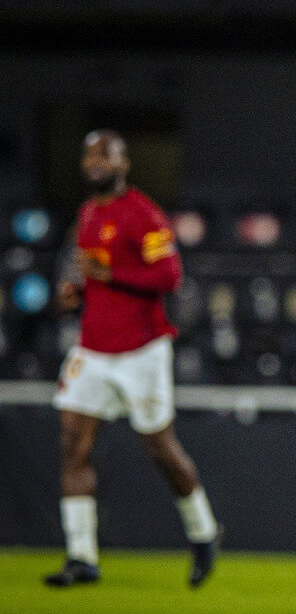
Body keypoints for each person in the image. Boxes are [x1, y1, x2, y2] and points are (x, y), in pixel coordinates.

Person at [46, 129, 221, 588]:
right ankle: (82, 556)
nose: (94, 162)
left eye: (104, 155)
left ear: (124, 164)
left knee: (161, 449)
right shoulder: (87, 213)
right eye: (89, 155)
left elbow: (169, 276)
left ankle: (203, 531)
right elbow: (87, 274)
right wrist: (75, 290)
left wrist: (111, 274)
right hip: (93, 347)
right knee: (72, 443)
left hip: (141, 349)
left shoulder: (144, 213)